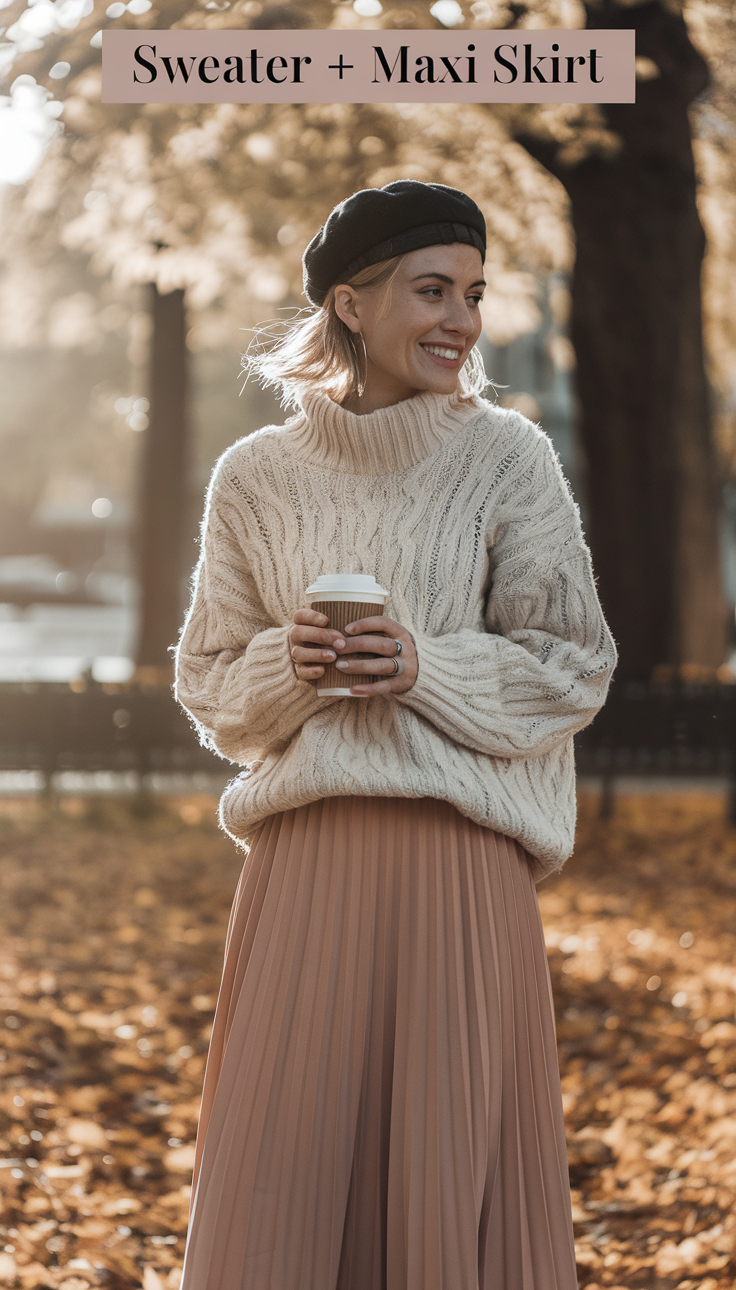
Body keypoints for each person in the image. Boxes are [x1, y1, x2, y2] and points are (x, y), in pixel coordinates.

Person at [175, 179, 617, 1290]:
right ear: (350, 303)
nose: (461, 320)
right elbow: (211, 681)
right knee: (281, 1181)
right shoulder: (254, 477)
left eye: (473, 293)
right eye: (432, 290)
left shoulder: (508, 457)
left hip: (459, 871)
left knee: (444, 1175)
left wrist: (427, 668)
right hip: (304, 869)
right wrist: (289, 665)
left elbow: (573, 662)